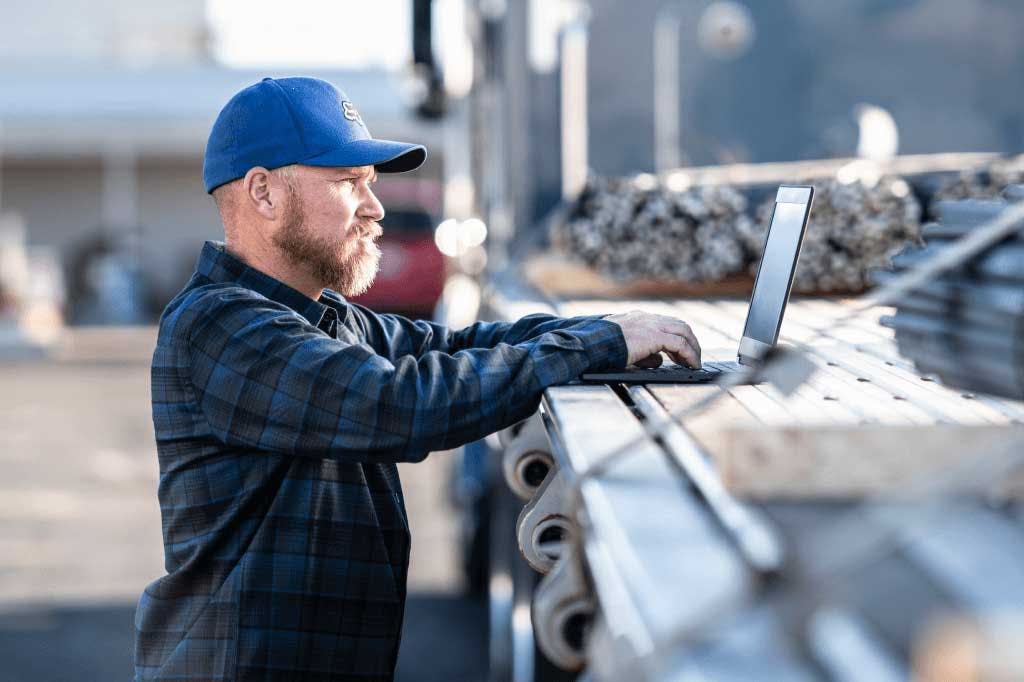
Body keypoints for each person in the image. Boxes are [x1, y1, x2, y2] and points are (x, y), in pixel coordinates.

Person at [133, 76, 701, 681]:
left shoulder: (322, 316)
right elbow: (396, 403)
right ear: (264, 192)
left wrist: (607, 329)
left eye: (370, 183)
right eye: (348, 182)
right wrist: (596, 344)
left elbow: (453, 346)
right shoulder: (219, 324)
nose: (374, 207)